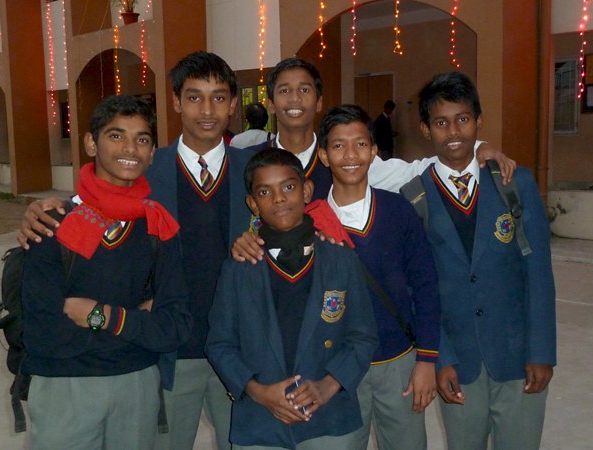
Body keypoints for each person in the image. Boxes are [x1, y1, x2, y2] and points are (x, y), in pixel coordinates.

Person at [18, 52, 256, 450]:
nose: (207, 110)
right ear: (176, 101)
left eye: (218, 97)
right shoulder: (143, 169)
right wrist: (42, 211)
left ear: (234, 104)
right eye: (194, 97)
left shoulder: (257, 171)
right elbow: (94, 204)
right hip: (164, 358)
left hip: (238, 349)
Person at [22, 95, 192, 450]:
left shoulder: (158, 229)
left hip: (137, 385)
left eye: (142, 139)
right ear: (90, 143)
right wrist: (139, 324)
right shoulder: (52, 224)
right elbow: (42, 333)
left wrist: (99, 315)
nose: (130, 148)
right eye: (116, 136)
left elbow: (174, 326)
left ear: (152, 152)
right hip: (64, 387)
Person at [233, 57, 515, 263]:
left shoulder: (347, 161)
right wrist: (241, 241)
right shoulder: (247, 162)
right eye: (284, 91)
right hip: (274, 288)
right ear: (271, 103)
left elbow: (418, 170)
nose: (295, 99)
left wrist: (476, 148)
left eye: (305, 90)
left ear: (319, 101)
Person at [412, 72, 556, 450]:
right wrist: (440, 357)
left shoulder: (514, 183)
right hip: (458, 363)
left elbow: (539, 274)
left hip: (518, 354)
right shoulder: (415, 198)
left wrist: (541, 351)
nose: (453, 131)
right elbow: (421, 290)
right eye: (441, 122)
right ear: (426, 129)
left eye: (462, 119)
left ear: (478, 121)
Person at [205, 148, 378, 450]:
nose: (279, 199)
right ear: (253, 204)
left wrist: (329, 384)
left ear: (306, 191)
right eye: (264, 192)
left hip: (330, 418)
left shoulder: (341, 260)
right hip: (260, 422)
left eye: (288, 187)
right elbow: (219, 344)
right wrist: (256, 391)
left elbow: (363, 336)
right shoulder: (238, 269)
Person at [314, 104, 440, 450]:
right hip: (335, 369)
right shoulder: (310, 222)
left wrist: (426, 360)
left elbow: (426, 285)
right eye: (338, 146)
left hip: (399, 364)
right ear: (323, 155)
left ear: (373, 151)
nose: (350, 155)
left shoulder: (398, 210)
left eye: (360, 144)